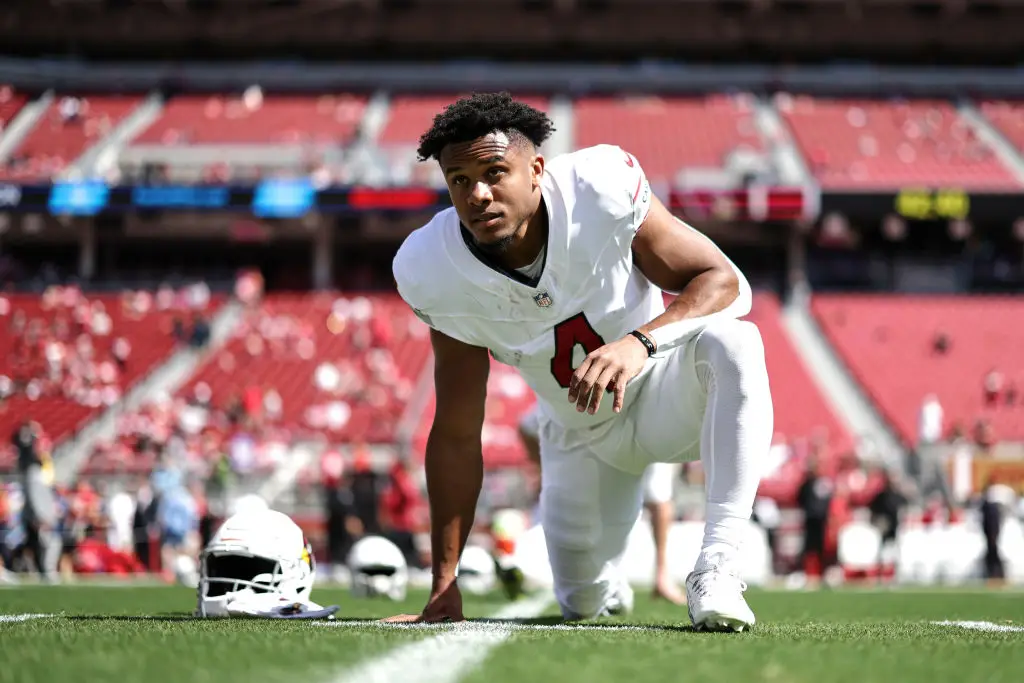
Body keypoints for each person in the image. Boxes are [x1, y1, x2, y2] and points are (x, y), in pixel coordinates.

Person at [387, 93, 771, 631]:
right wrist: (444, 582)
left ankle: (719, 567)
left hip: (663, 394)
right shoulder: (434, 268)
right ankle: (608, 583)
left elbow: (725, 283)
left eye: (495, 172)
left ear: (537, 168)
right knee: (583, 605)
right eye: (459, 180)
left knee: (737, 342)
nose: (477, 194)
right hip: (578, 434)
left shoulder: (600, 187)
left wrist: (641, 342)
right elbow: (455, 431)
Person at [519, 403, 686, 604]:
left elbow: (659, 502)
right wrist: (546, 468)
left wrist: (662, 573)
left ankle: (631, 578)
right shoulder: (574, 405)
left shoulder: (649, 426)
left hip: (637, 432)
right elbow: (527, 426)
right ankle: (534, 566)